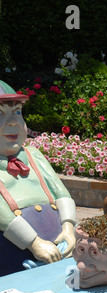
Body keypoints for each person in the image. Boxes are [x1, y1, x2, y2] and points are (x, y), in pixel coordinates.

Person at [0, 80, 76, 276]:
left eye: (17, 112)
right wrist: (34, 243)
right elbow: (3, 215)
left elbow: (61, 193)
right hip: (13, 259)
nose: (13, 122)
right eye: (0, 114)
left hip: (59, 252)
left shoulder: (33, 154)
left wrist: (68, 227)